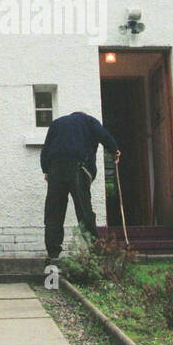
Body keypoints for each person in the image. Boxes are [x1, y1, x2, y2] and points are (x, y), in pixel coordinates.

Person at [40, 109, 120, 262]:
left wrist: (46, 170)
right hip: (78, 166)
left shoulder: (56, 123)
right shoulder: (89, 121)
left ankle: (53, 253)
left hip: (55, 168)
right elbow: (103, 135)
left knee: (54, 212)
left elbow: (45, 149)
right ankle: (95, 250)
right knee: (84, 209)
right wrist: (114, 150)